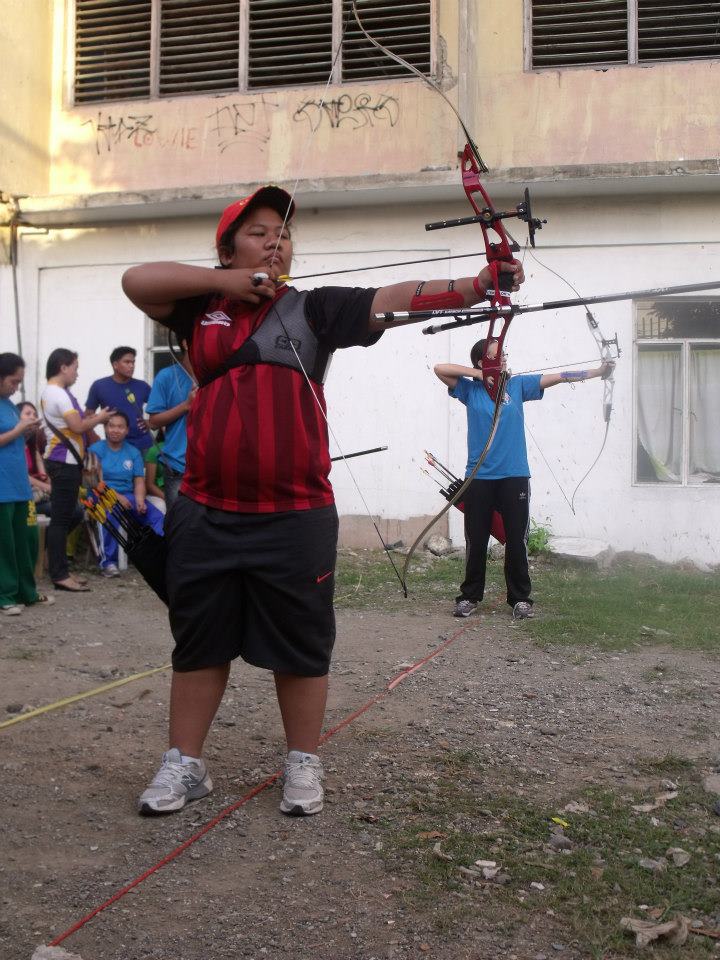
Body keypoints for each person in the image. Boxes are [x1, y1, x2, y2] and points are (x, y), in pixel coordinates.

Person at [121, 184, 525, 819]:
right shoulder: (199, 310)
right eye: (258, 232)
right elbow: (136, 278)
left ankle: (303, 761)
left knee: (303, 644)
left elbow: (392, 300)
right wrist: (226, 284)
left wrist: (476, 286)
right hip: (205, 507)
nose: (275, 241)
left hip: (295, 513)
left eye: (282, 234)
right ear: (229, 247)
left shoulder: (314, 310)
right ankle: (185, 763)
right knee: (198, 641)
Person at [434, 340, 613, 620]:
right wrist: (481, 375)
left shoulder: (517, 386)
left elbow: (561, 377)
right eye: (497, 355)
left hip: (514, 476)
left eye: (504, 353)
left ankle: (520, 600)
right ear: (482, 362)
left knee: (516, 539)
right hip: (478, 477)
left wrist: (598, 371)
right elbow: (439, 368)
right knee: (477, 539)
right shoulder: (470, 390)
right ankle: (469, 597)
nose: (504, 358)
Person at [41, 348, 114, 592]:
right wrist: (101, 416)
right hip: (63, 462)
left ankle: (57, 564)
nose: (77, 373)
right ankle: (59, 574)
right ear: (63, 367)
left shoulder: (58, 393)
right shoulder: (56, 393)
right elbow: (78, 425)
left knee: (69, 515)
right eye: (75, 367)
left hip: (67, 462)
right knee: (63, 518)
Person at [0, 353, 53, 614]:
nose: (16, 387)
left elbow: (13, 439)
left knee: (26, 540)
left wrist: (29, 431)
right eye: (13, 381)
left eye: (19, 381)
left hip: (19, 484)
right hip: (2, 488)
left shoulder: (10, 405)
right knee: (5, 544)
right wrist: (20, 430)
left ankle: (26, 591)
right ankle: (5, 595)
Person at [89, 412, 165, 577]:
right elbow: (96, 482)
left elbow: (138, 480)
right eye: (111, 426)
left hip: (128, 495)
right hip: (102, 495)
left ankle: (163, 556)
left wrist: (139, 499)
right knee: (110, 511)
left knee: (156, 515)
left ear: (127, 430)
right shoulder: (96, 450)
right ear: (106, 428)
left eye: (120, 426)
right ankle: (108, 562)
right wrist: (116, 497)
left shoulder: (133, 452)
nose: (115, 430)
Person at [145, 342, 195, 508]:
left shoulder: (215, 374)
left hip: (211, 465)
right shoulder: (166, 376)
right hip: (178, 465)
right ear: (186, 343)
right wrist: (186, 406)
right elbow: (153, 422)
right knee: (178, 525)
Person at [85, 347, 153, 455]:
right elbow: (88, 416)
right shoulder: (99, 386)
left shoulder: (142, 386)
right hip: (114, 446)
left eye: (133, 362)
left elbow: (160, 407)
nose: (132, 366)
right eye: (127, 362)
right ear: (115, 365)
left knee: (141, 472)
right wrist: (93, 436)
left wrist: (150, 423)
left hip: (143, 445)